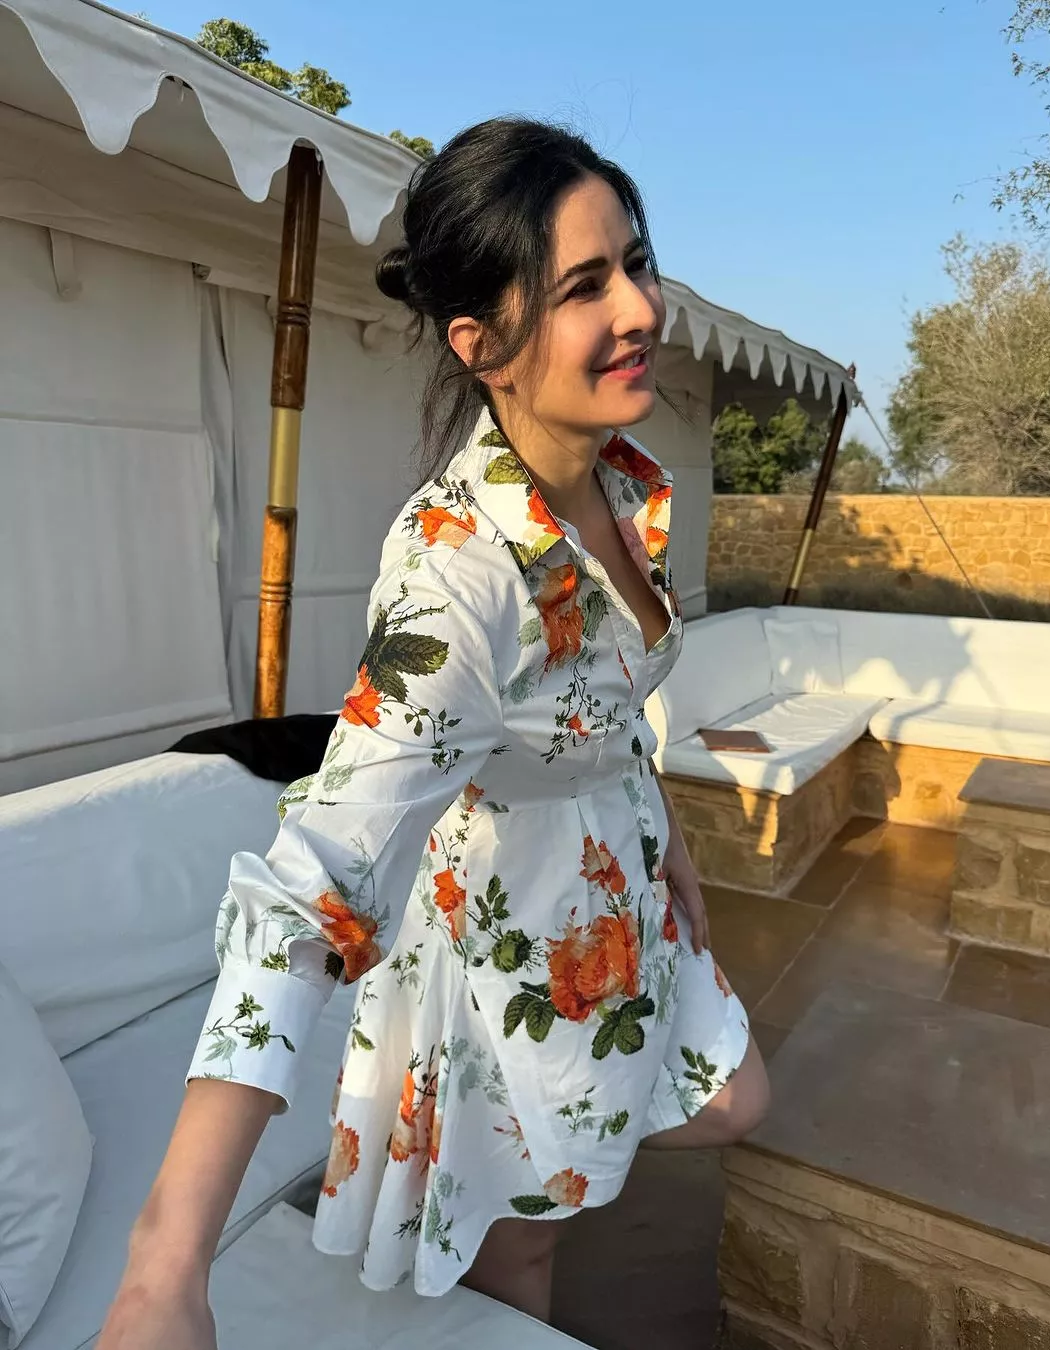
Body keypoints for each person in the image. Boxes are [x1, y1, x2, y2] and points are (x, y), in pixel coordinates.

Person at [98, 117, 769, 1348]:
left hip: (615, 884)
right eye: (584, 286)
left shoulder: (627, 482)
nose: (640, 308)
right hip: (511, 936)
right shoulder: (455, 572)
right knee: (526, 1235)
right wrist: (165, 1261)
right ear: (482, 344)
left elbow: (608, 698)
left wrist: (664, 833)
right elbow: (315, 882)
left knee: (729, 1099)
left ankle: (558, 1149)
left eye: (636, 262)